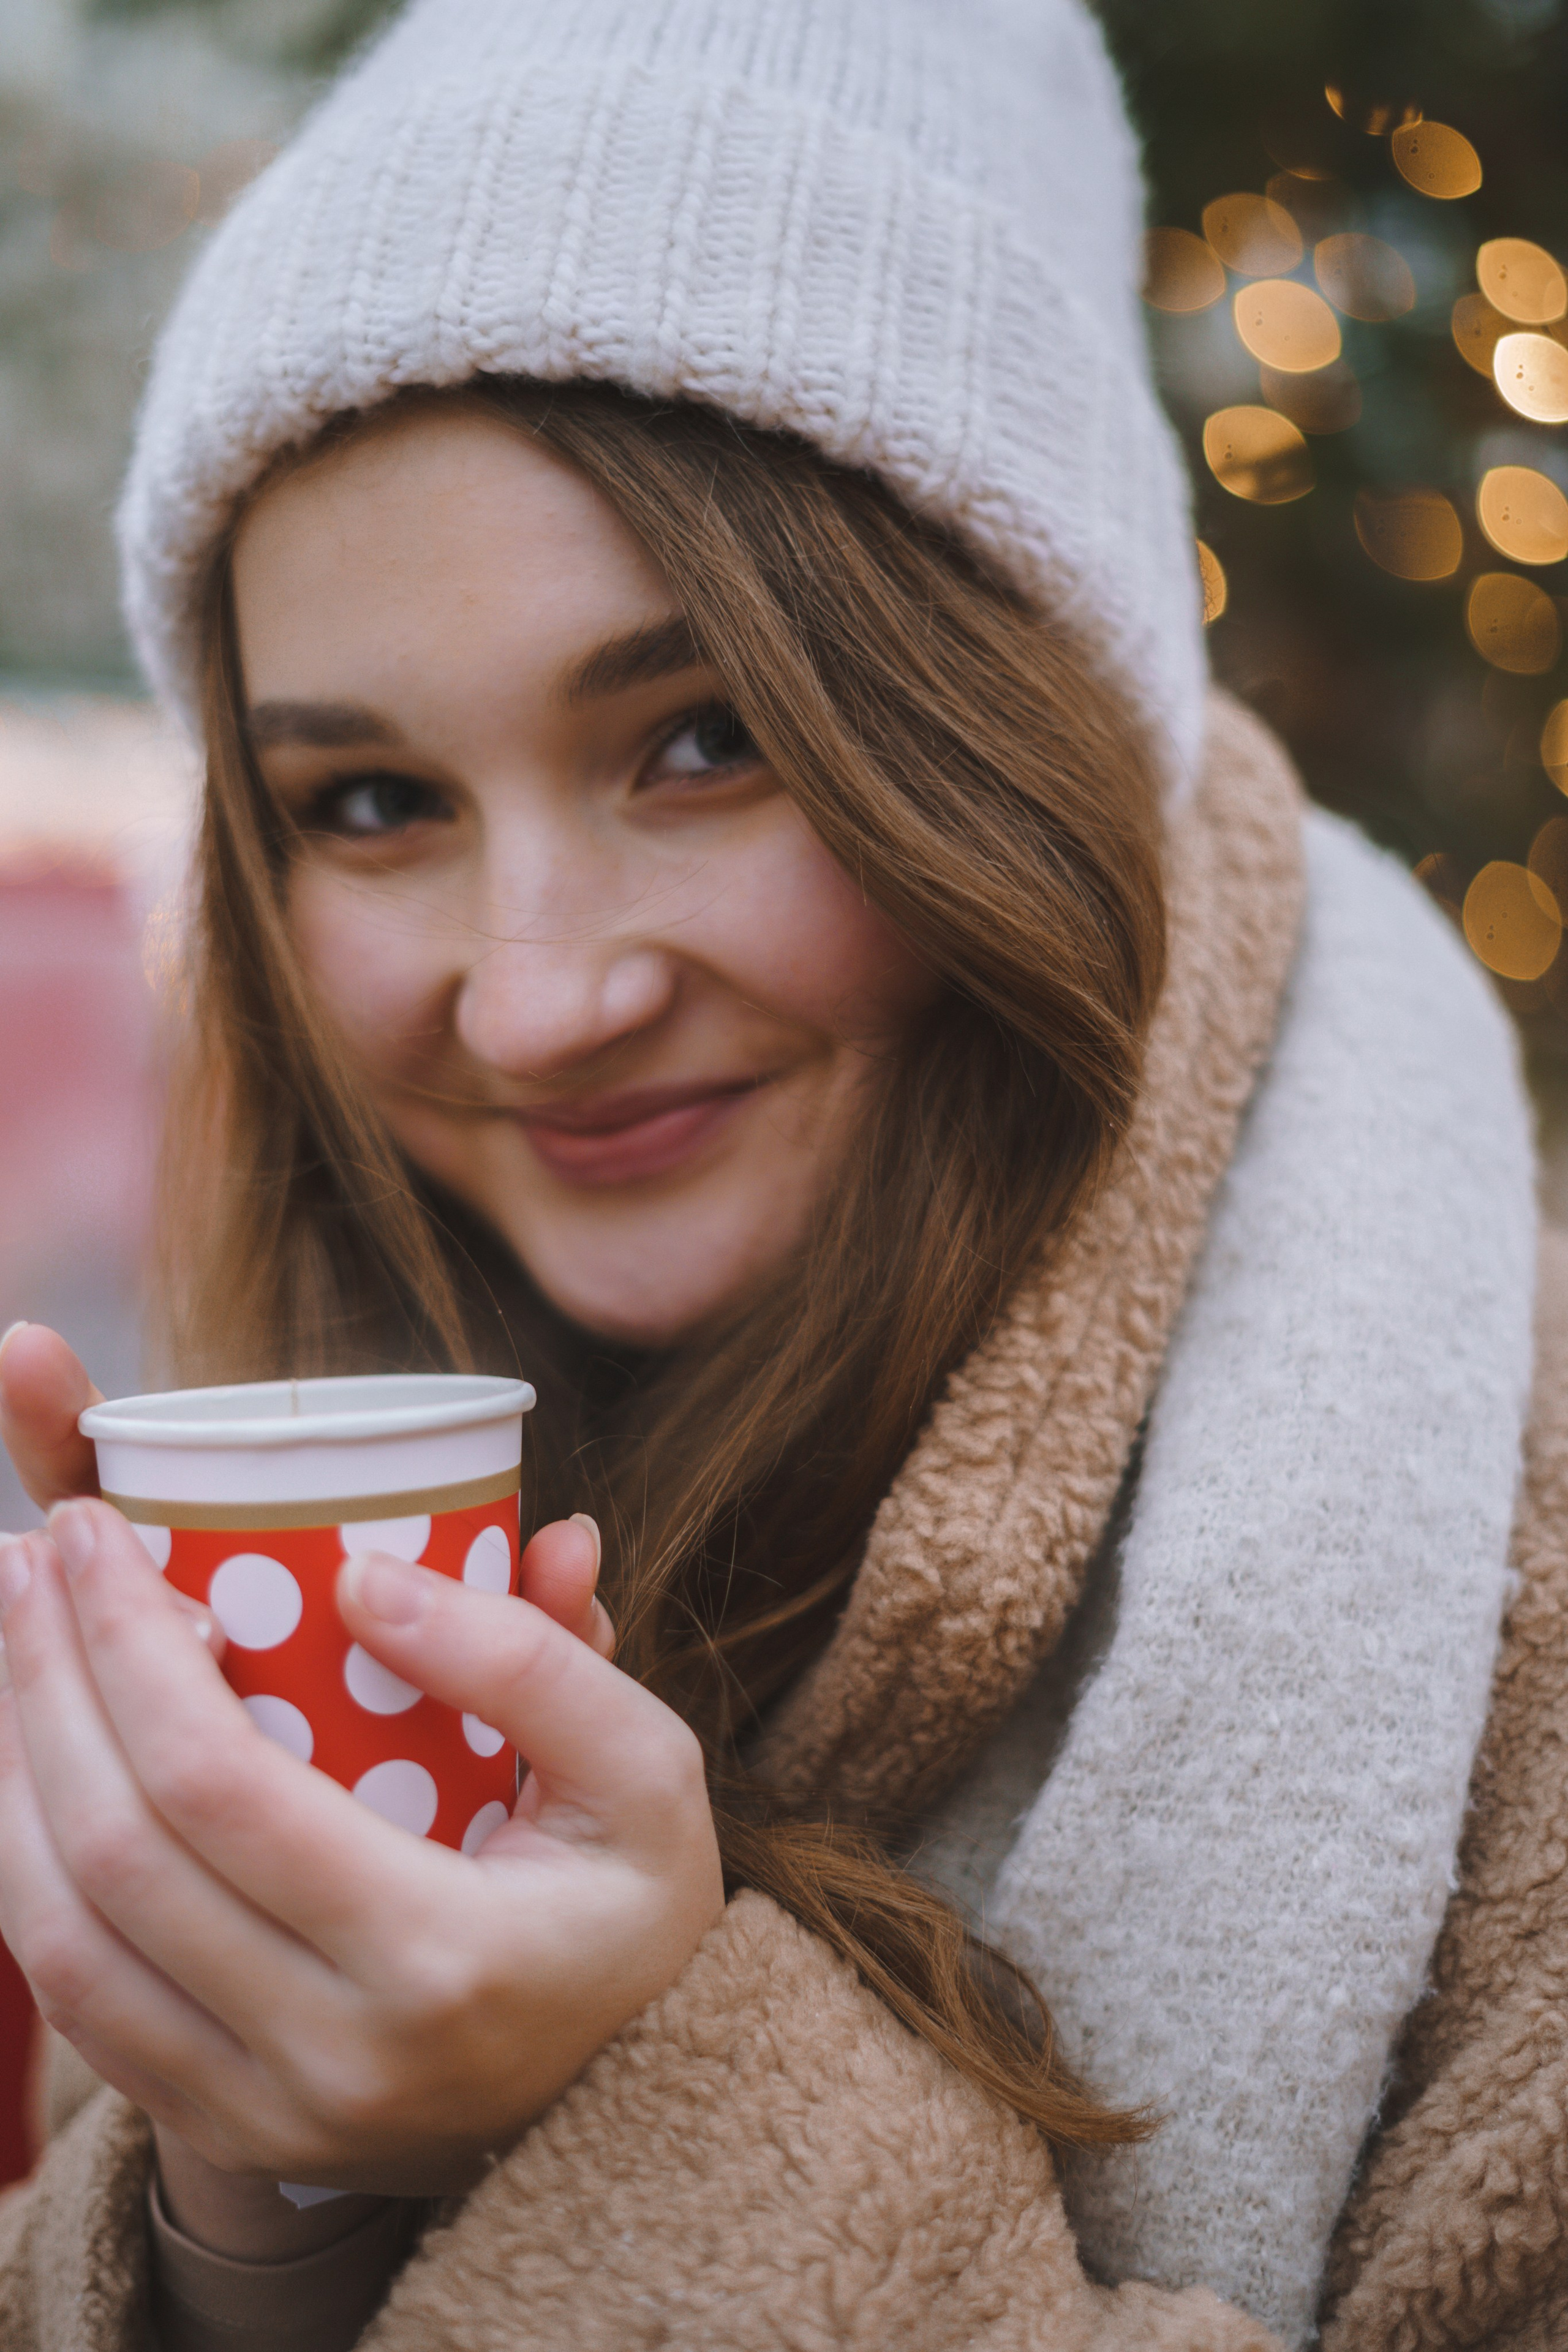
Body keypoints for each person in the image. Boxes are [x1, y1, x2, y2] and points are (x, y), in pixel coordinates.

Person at [0, 2, 1560, 2346]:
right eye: (370, 803)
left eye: (703, 738)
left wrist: (615, 2113)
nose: (529, 1004)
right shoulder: (403, 1413)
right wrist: (262, 2156)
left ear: (1007, 737)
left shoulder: (1512, 1584)